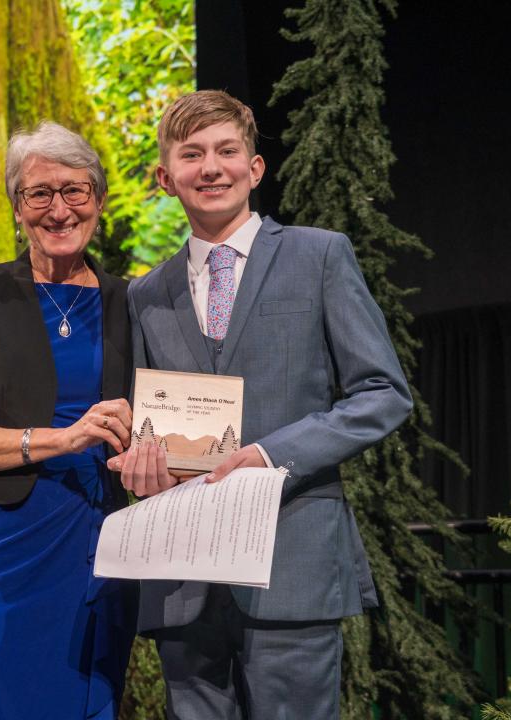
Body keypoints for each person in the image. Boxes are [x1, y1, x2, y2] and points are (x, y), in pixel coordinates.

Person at [110, 90, 413, 719]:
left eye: (227, 151)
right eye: (191, 155)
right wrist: (141, 460)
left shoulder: (319, 255)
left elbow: (383, 393)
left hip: (290, 563)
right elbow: (148, 415)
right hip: (183, 575)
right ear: (167, 178)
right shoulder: (145, 294)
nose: (211, 167)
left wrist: (271, 454)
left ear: (255, 169)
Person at [0, 121, 138, 719]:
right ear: (18, 207)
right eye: (40, 193)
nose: (59, 208)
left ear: (98, 199)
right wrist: (62, 440)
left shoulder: (133, 302)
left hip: (90, 552)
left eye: (76, 190)